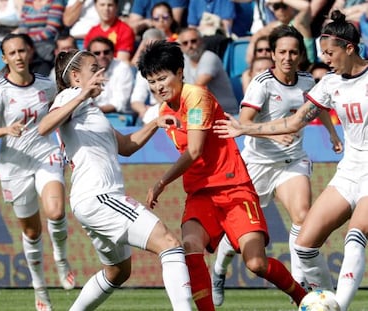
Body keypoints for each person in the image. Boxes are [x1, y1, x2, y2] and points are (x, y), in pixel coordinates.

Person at [213, 10, 368, 311]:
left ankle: (338, 307)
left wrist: (332, 134)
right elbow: (295, 121)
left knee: (355, 233)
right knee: (304, 244)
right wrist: (245, 127)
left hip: (304, 164)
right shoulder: (329, 83)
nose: (326, 60)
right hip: (347, 171)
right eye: (322, 54)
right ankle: (321, 298)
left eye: (331, 53)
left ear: (350, 48)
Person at [137, 40, 307, 310]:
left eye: (162, 78)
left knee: (256, 264)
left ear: (180, 72)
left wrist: (161, 182)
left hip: (234, 187)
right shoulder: (163, 111)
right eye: (151, 81)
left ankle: (303, 297)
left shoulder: (197, 96)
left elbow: (194, 151)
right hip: (200, 193)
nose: (158, 86)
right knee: (190, 246)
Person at [37, 49, 193, 311]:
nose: (101, 73)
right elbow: (44, 127)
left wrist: (154, 123)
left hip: (90, 201)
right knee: (169, 244)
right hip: (100, 197)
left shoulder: (90, 111)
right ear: (76, 76)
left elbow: (126, 145)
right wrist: (83, 93)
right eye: (94, 68)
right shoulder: (71, 96)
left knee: (117, 272)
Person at [0, 33, 75, 311]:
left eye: (22, 50)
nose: (18, 56)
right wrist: (6, 129)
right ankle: (39, 287)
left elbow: (67, 106)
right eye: (12, 53)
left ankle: (61, 257)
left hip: (46, 155)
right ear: (5, 58)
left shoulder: (47, 85)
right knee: (31, 233)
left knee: (56, 212)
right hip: (14, 166)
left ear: (29, 53)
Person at [178, 27, 239, 115]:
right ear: (181, 46)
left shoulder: (209, 57)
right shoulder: (182, 61)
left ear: (201, 41)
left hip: (225, 113)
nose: (190, 46)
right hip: (201, 111)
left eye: (193, 41)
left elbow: (198, 87)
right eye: (185, 43)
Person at [87, 36, 134, 114]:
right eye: (97, 53)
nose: (102, 56)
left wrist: (94, 110)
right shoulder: (84, 70)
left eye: (106, 52)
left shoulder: (122, 68)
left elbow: (119, 103)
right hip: (92, 113)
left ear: (112, 53)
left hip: (118, 116)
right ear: (90, 55)